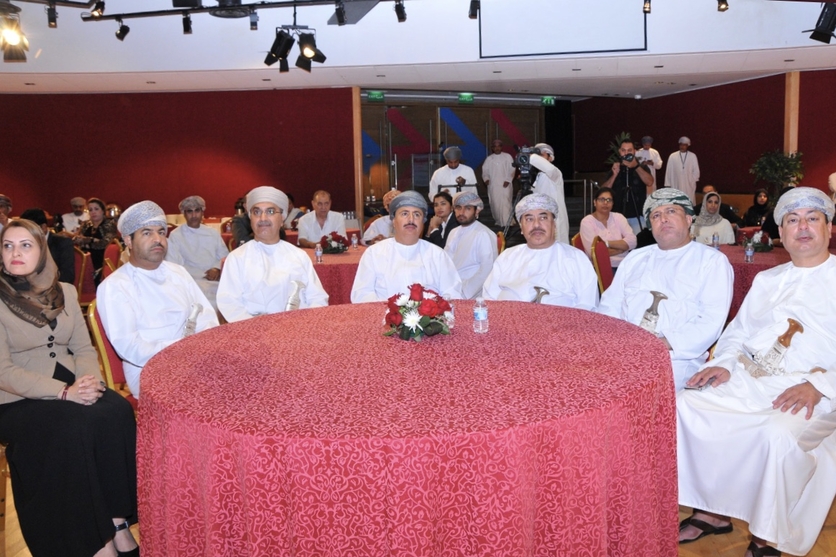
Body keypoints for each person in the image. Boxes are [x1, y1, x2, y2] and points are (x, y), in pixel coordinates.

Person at [677, 187, 836, 557]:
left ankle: (767, 538)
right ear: (781, 231)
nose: (803, 228)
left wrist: (818, 385)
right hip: (751, 376)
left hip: (814, 387)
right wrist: (722, 364)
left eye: (813, 218)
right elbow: (737, 333)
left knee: (777, 435)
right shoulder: (768, 279)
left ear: (829, 227)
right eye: (793, 220)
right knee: (687, 405)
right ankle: (712, 511)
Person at [0, 219, 139, 557]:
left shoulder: (65, 291)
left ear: (42, 250)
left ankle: (117, 519)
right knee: (73, 427)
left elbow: (83, 348)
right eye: (7, 246)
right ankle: (92, 540)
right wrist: (64, 392)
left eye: (25, 245)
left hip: (71, 381)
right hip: (15, 398)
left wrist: (89, 381)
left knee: (117, 412)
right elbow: (3, 371)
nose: (15, 252)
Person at [597, 189, 733, 391]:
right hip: (623, 351)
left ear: (688, 219)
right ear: (650, 226)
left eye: (671, 211)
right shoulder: (635, 258)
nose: (664, 219)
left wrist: (659, 344)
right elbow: (610, 306)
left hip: (674, 360)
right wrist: (618, 343)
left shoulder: (711, 261)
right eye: (656, 215)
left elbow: (710, 321)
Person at [97, 201, 218, 398]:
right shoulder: (115, 286)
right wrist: (181, 351)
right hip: (149, 370)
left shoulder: (178, 272)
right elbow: (130, 346)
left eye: (161, 232)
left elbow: (206, 317)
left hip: (193, 359)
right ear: (128, 240)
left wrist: (200, 350)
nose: (158, 239)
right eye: (147, 233)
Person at [218, 186, 328, 321]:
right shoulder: (237, 258)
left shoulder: (299, 256)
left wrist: (306, 323)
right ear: (250, 218)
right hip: (253, 331)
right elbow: (229, 303)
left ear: (282, 219)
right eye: (256, 212)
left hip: (298, 328)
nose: (263, 218)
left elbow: (317, 297)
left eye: (270, 211)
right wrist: (256, 326)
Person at [482, 193, 598, 309]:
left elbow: (588, 306)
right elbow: (489, 299)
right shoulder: (507, 257)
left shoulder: (576, 258)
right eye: (529, 219)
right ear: (521, 228)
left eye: (543, 218)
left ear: (554, 224)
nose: (536, 224)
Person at [351, 190, 463, 303]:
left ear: (423, 222)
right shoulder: (374, 253)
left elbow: (453, 294)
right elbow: (361, 295)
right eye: (404, 213)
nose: (411, 219)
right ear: (393, 221)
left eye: (416, 214)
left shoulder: (438, 255)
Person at [165, 195, 229, 311]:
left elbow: (224, 256)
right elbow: (174, 265)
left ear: (202, 212)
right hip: (190, 282)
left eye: (197, 211)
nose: (194, 216)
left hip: (214, 281)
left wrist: (216, 269)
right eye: (189, 211)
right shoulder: (176, 235)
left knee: (227, 300)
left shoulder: (212, 233)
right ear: (184, 214)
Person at [444, 191, 498, 299]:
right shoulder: (453, 232)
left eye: (468, 208)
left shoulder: (483, 234)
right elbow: (445, 262)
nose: (462, 212)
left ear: (476, 211)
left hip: (472, 294)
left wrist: (464, 293)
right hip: (450, 288)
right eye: (458, 208)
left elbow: (487, 270)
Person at [600, 139, 655, 234]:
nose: (626, 153)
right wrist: (614, 175)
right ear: (619, 152)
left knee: (639, 245)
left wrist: (636, 166)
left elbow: (650, 182)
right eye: (623, 150)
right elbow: (604, 191)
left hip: (637, 216)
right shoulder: (615, 168)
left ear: (634, 151)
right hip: (617, 217)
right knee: (619, 246)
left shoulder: (642, 168)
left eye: (629, 150)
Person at [578, 187, 637, 268]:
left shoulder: (619, 217)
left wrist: (606, 243)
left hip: (625, 264)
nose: (605, 203)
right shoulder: (587, 222)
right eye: (602, 199)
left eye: (609, 200)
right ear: (595, 202)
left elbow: (633, 242)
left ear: (613, 204)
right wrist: (621, 249)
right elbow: (594, 253)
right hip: (603, 267)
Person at [20, 208, 75, 284]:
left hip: (55, 288)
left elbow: (67, 276)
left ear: (43, 227)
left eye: (30, 229)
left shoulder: (62, 243)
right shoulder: (22, 244)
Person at [530, 143, 570, 244]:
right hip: (541, 218)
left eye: (542, 155)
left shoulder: (555, 173)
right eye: (538, 155)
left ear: (550, 158)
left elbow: (548, 168)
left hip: (555, 219)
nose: (539, 158)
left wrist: (530, 156)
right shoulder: (538, 177)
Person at [73, 197, 118, 285]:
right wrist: (92, 240)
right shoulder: (86, 224)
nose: (93, 212)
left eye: (96, 209)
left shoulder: (109, 224)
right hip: (85, 258)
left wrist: (88, 241)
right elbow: (76, 239)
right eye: (90, 210)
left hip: (102, 259)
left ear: (102, 211)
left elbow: (105, 243)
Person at [482, 139, 516, 226]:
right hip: (493, 185)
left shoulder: (507, 157)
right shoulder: (489, 159)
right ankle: (499, 221)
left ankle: (507, 222)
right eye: (495, 146)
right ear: (492, 148)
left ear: (501, 147)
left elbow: (512, 169)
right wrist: (486, 179)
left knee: (506, 203)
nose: (497, 148)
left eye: (499, 146)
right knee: (495, 204)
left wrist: (508, 180)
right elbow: (485, 171)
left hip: (505, 185)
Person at [664, 136, 700, 203]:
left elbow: (696, 171)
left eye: (684, 145)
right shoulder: (672, 156)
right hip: (675, 183)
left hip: (688, 184)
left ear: (687, 145)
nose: (682, 147)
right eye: (681, 144)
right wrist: (668, 184)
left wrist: (692, 180)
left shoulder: (692, 156)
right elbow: (668, 171)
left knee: (688, 201)